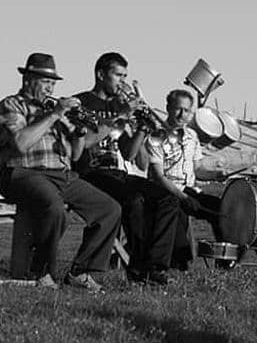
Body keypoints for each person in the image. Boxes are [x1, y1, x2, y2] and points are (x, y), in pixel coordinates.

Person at [0, 52, 122, 290]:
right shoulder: (11, 105)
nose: (50, 88)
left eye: (52, 83)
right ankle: (42, 272)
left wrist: (79, 132)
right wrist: (53, 115)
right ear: (27, 79)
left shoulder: (55, 111)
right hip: (21, 173)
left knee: (109, 209)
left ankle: (81, 272)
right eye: (45, 82)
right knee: (54, 208)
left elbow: (74, 155)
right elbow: (20, 143)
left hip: (61, 174)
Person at [73, 52, 179, 285]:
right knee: (134, 201)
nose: (123, 82)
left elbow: (129, 154)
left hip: (117, 173)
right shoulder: (81, 102)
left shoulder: (118, 105)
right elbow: (85, 142)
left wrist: (142, 127)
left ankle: (155, 267)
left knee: (167, 199)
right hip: (89, 173)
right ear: (101, 75)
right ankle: (139, 270)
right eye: (118, 75)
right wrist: (120, 115)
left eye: (125, 76)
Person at [147, 88, 224, 269]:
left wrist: (216, 175)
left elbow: (197, 168)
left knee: (221, 209)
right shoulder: (157, 136)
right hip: (168, 192)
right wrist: (184, 198)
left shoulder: (192, 136)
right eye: (178, 109)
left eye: (187, 110)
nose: (182, 114)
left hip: (189, 190)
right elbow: (158, 176)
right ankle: (176, 263)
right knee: (177, 214)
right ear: (168, 108)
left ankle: (225, 261)